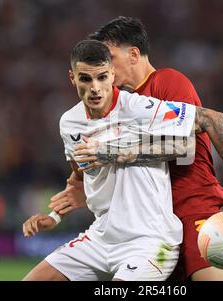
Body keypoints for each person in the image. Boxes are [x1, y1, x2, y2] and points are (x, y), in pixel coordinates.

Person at [46, 17, 223, 281]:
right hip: (154, 223)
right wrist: (82, 187)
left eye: (109, 56)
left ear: (133, 54)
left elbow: (185, 146)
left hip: (194, 206)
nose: (105, 65)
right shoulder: (116, 104)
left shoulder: (167, 81)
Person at [23, 39, 197, 281]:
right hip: (100, 238)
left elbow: (188, 146)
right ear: (72, 78)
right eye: (85, 79)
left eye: (102, 77)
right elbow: (80, 177)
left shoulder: (139, 108)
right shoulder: (69, 123)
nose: (95, 87)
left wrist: (119, 151)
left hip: (149, 241)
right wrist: (54, 217)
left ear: (112, 75)